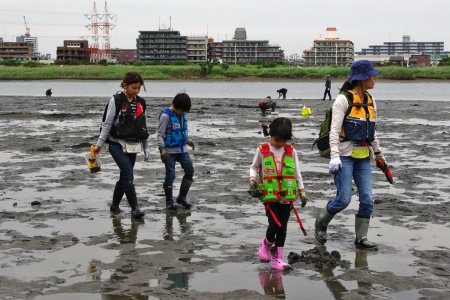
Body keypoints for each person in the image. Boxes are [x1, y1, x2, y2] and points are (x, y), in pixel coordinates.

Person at [314, 60, 387, 250]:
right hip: (344, 156)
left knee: (368, 199)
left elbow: (372, 131)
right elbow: (334, 131)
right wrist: (335, 156)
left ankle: (361, 238)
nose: (374, 78)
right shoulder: (343, 100)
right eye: (372, 75)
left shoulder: (370, 101)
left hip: (363, 157)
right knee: (344, 199)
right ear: (361, 78)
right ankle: (321, 223)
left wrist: (379, 154)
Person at [248, 117, 308, 270]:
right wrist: (253, 179)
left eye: (284, 141)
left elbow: (296, 173)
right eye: (277, 140)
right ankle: (266, 243)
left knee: (283, 228)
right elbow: (254, 167)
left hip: (286, 197)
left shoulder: (291, 151)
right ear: (271, 134)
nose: (280, 144)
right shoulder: (262, 150)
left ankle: (277, 260)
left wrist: (301, 191)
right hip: (270, 196)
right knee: (275, 225)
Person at [94, 72, 149, 218]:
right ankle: (135, 208)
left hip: (133, 145)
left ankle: (114, 205)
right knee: (128, 173)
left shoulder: (141, 103)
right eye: (134, 87)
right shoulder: (116, 100)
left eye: (139, 88)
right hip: (116, 143)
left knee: (125, 175)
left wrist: (146, 146)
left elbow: (144, 126)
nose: (136, 91)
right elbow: (107, 124)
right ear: (125, 85)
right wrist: (99, 144)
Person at [158, 93, 195, 210]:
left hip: (181, 148)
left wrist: (187, 140)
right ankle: (169, 201)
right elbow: (160, 134)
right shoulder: (165, 116)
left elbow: (179, 131)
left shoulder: (182, 115)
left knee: (189, 170)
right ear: (175, 106)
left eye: (185, 111)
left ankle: (182, 197)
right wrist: (162, 149)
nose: (183, 112)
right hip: (169, 151)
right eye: (182, 110)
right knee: (170, 175)